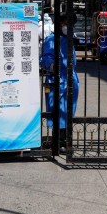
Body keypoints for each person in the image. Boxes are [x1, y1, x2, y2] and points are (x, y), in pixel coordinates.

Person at [40, 11, 79, 147]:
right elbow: (44, 58)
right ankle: (58, 141)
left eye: (72, 24)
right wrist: (52, 65)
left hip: (71, 80)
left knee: (68, 111)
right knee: (57, 111)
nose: (69, 26)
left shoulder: (69, 40)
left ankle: (64, 139)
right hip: (56, 80)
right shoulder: (51, 39)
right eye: (66, 23)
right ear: (60, 23)